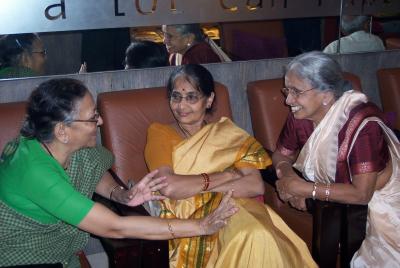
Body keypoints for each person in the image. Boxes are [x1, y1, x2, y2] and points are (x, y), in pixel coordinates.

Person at [0, 78, 238, 267]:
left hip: (57, 250)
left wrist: (120, 194)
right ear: (62, 130)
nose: (101, 121)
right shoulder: (35, 171)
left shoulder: (62, 145)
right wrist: (200, 226)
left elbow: (93, 168)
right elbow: (115, 227)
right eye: (93, 117)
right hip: (23, 256)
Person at [144, 64, 316, 268]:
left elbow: (255, 185)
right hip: (188, 218)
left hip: (235, 208)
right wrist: (226, 176)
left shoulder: (229, 135)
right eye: (176, 97)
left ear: (209, 100)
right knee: (250, 236)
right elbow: (169, 187)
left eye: (192, 97)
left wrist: (192, 186)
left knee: (260, 236)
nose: (181, 106)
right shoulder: (159, 133)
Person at [273, 51, 399, 267]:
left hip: (384, 207)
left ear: (326, 95)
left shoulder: (361, 124)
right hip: (342, 208)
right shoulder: (301, 116)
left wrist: (306, 190)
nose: (288, 100)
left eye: (296, 91)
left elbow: (361, 194)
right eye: (287, 90)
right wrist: (287, 177)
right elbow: (280, 154)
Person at [162, 24, 230, 66]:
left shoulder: (200, 55)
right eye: (164, 35)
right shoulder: (174, 55)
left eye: (169, 36)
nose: (164, 41)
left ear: (189, 38)